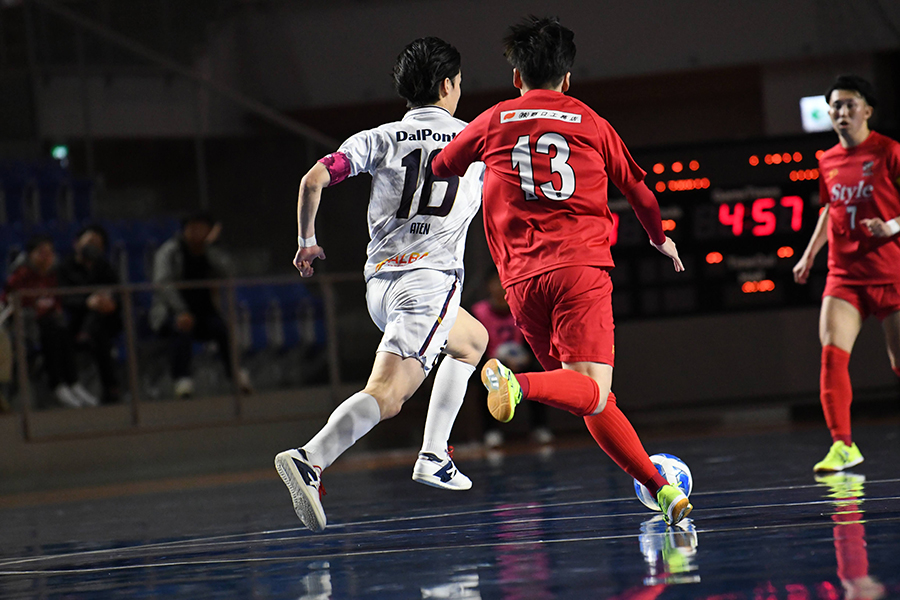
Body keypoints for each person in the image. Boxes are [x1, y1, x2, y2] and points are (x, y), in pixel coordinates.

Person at [432, 16, 691, 525]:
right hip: (579, 270)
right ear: (567, 78)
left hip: (519, 283)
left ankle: (662, 491)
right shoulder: (591, 122)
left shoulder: (494, 118)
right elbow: (640, 194)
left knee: (589, 396)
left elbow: (442, 166)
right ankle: (517, 385)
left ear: (516, 77)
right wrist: (659, 238)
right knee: (589, 389)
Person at [274, 36, 488, 532]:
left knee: (472, 339)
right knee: (388, 395)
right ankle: (311, 458)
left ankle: (434, 454)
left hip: (381, 287)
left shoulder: (382, 137)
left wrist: (307, 241)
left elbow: (312, 180)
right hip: (428, 285)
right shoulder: (474, 141)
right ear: (447, 85)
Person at [792, 75, 900, 473]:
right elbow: (829, 210)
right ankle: (843, 445)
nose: (841, 112)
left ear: (867, 110)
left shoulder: (890, 152)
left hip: (891, 273)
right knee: (832, 357)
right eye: (835, 105)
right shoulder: (827, 160)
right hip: (844, 276)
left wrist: (892, 226)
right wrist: (809, 255)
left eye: (849, 104)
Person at [150, 212, 250, 398]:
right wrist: (181, 311)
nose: (197, 232)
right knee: (182, 328)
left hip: (204, 313)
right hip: (171, 312)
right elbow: (163, 284)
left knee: (222, 329)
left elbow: (229, 272)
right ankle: (182, 380)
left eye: (203, 228)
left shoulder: (210, 252)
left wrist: (211, 248)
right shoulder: (169, 251)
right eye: (193, 227)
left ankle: (236, 375)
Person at [3, 234, 99, 408]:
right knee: (51, 329)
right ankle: (57, 385)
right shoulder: (20, 276)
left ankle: (73, 383)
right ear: (31, 255)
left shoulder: (55, 275)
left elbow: (58, 302)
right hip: (27, 327)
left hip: (50, 324)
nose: (46, 257)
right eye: (41, 253)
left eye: (49, 253)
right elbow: (8, 303)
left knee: (61, 330)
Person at [471, 270, 552, 447]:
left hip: (520, 360)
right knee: (485, 380)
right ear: (489, 286)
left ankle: (540, 427)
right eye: (496, 283)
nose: (500, 288)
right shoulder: (478, 312)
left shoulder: (522, 309)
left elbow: (532, 339)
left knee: (537, 376)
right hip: (490, 361)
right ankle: (491, 431)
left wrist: (525, 358)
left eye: (503, 282)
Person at [58, 224, 122, 404]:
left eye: (97, 244)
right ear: (76, 243)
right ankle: (111, 387)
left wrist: (111, 304)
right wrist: (87, 302)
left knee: (98, 326)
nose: (93, 247)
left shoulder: (105, 268)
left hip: (104, 322)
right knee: (99, 333)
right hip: (73, 322)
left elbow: (117, 294)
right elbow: (63, 299)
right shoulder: (65, 268)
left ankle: (87, 335)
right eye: (89, 242)